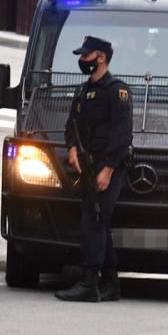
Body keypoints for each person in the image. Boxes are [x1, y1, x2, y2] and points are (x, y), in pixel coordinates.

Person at [56, 35, 133, 303]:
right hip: (88, 164)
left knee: (94, 220)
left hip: (108, 165)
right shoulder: (82, 91)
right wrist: (72, 149)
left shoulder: (117, 91)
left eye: (86, 56)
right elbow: (71, 125)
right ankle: (111, 283)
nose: (81, 60)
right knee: (98, 220)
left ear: (101, 57)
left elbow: (123, 135)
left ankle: (90, 283)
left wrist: (109, 169)